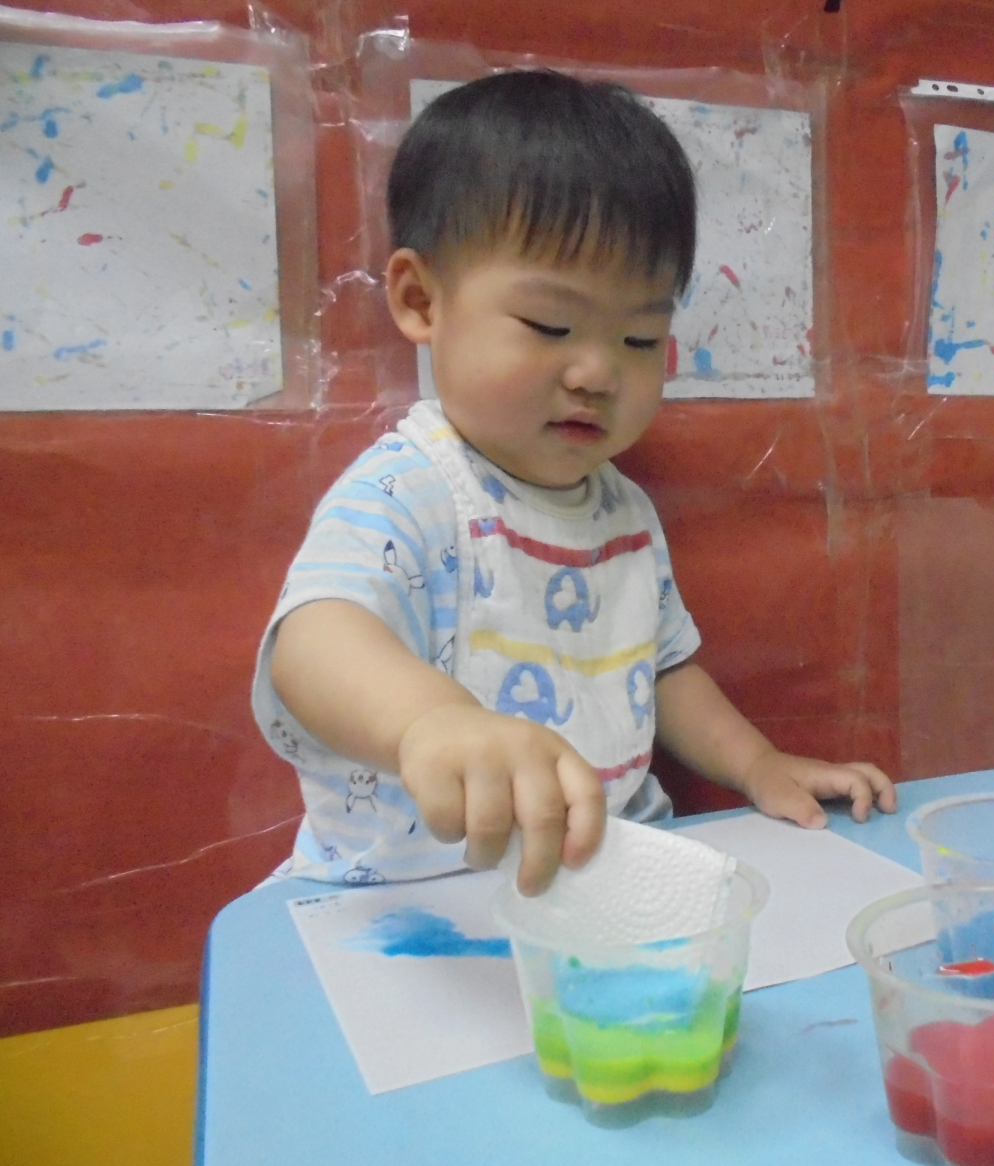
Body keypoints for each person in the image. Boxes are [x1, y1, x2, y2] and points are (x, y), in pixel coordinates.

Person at [253, 70, 895, 896]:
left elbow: (662, 672)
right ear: (419, 300)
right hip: (417, 894)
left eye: (639, 339)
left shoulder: (621, 508)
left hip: (606, 878)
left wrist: (757, 765)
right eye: (549, 325)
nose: (597, 372)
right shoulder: (410, 488)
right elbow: (314, 641)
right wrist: (431, 722)